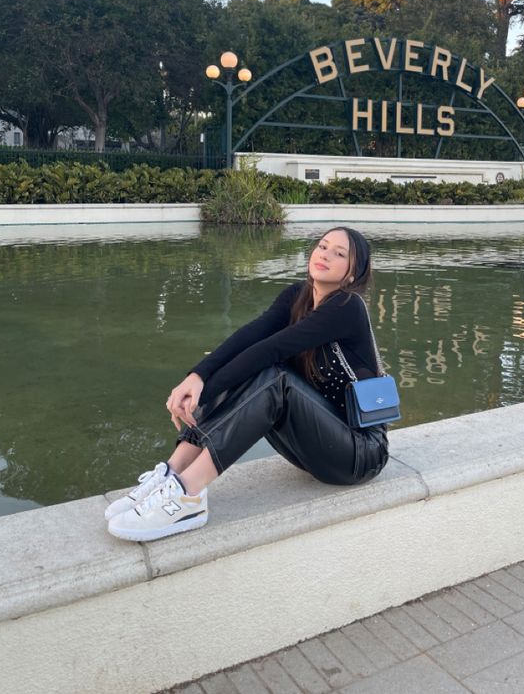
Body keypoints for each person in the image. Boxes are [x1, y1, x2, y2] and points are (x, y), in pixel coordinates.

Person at [106, 226, 389, 541]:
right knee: (243, 365)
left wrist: (205, 394)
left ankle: (189, 495)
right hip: (316, 444)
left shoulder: (347, 306)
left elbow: (272, 350)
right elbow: (248, 338)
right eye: (322, 246)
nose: (325, 255)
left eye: (340, 254)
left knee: (273, 376)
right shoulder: (298, 297)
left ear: (353, 273)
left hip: (360, 453)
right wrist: (196, 376)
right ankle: (171, 474)